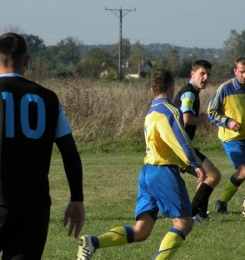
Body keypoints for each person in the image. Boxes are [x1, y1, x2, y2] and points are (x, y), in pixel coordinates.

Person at [76, 69, 206, 260]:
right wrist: (196, 164)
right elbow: (182, 140)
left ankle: (93, 242)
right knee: (183, 224)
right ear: (171, 88)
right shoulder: (170, 111)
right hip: (163, 172)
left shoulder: (151, 112)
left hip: (147, 173)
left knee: (141, 230)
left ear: (152, 89)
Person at [0, 33, 85, 260]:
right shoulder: (49, 98)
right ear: (26, 60)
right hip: (35, 208)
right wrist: (76, 198)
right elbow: (70, 152)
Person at [173, 60, 221, 222]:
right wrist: (202, 118)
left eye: (208, 74)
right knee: (213, 176)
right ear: (192, 74)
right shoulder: (189, 93)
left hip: (178, 146)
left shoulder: (191, 92)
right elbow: (186, 118)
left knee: (206, 177)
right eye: (202, 73)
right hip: (181, 147)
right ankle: (192, 214)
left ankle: (200, 215)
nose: (206, 77)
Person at [208, 57, 245, 214]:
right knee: (244, 171)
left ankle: (225, 202)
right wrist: (228, 122)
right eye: (242, 72)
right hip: (231, 139)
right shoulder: (225, 89)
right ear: (235, 71)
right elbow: (212, 112)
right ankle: (222, 201)